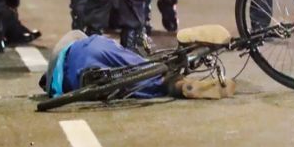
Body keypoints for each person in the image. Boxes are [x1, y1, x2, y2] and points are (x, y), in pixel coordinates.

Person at [39, 30, 236, 100]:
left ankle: (175, 85)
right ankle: (178, 81)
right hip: (95, 47)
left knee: (128, 84)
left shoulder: (60, 84)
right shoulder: (84, 42)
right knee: (138, 66)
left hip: (79, 79)